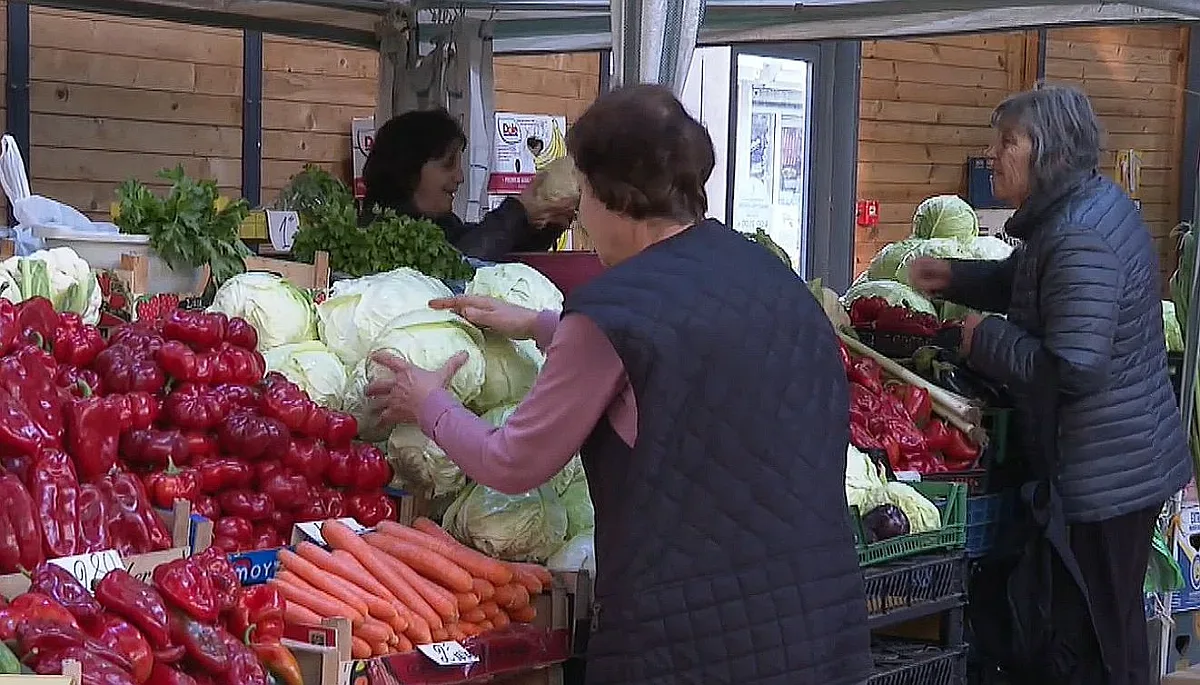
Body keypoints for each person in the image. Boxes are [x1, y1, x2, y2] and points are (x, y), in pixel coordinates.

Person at [366, 84, 872, 685]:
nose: (581, 214)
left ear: (612, 194)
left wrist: (430, 403)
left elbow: (512, 462)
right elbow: (692, 348)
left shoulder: (611, 313)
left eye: (582, 192)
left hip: (685, 646)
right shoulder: (770, 275)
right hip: (820, 624)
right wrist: (538, 325)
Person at [908, 85, 1190, 684]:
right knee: (1104, 629)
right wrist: (957, 277)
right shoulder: (1080, 210)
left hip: (1105, 474)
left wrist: (986, 339)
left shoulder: (1079, 233)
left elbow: (1074, 368)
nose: (992, 155)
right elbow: (1031, 280)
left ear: (1050, 152)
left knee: (1096, 639)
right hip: (1119, 461)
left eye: (1008, 142)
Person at [362, 108, 577, 260]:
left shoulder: (442, 225)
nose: (460, 177)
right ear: (407, 168)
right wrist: (516, 211)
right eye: (448, 165)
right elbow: (461, 262)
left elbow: (497, 254)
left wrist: (549, 226)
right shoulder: (376, 236)